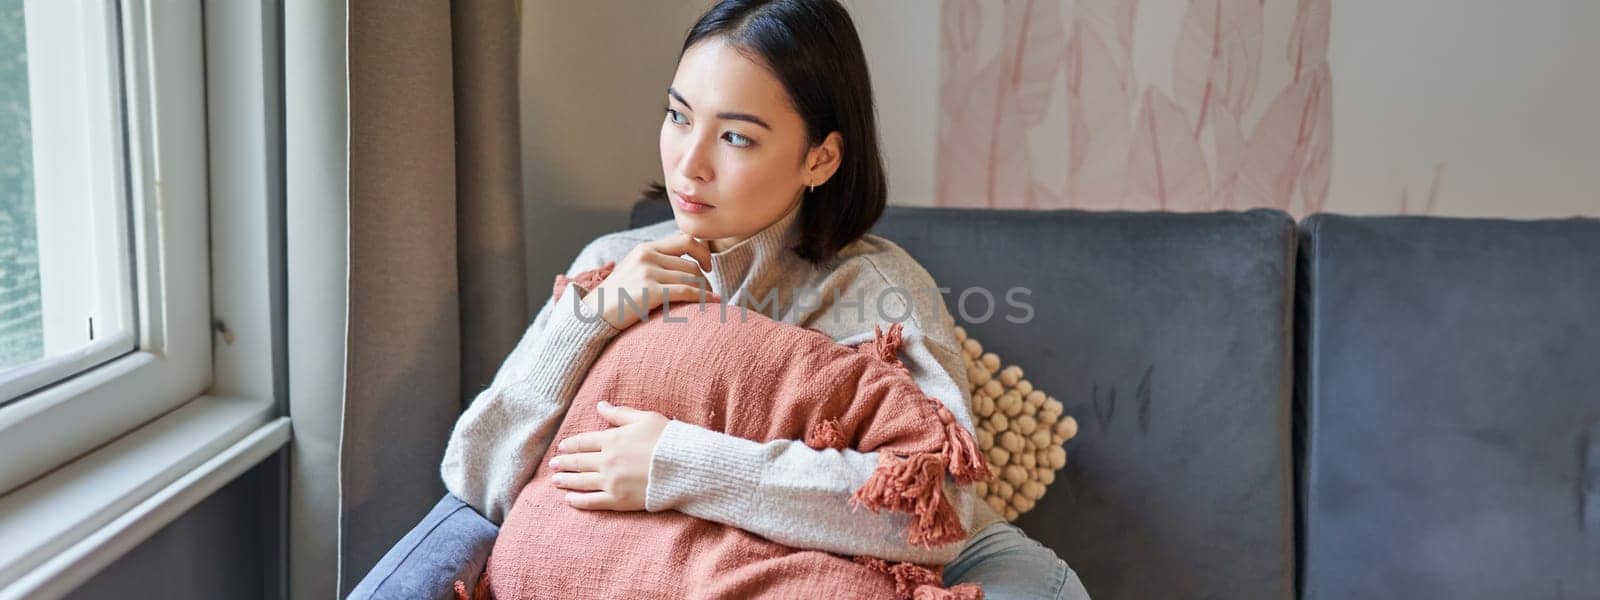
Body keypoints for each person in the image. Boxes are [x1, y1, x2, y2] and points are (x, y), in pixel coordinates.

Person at [423, 1, 1089, 598]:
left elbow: (937, 511)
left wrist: (679, 463)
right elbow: (475, 477)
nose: (689, 163)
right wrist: (586, 322)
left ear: (821, 159)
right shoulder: (610, 265)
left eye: (736, 136)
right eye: (679, 117)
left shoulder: (875, 292)